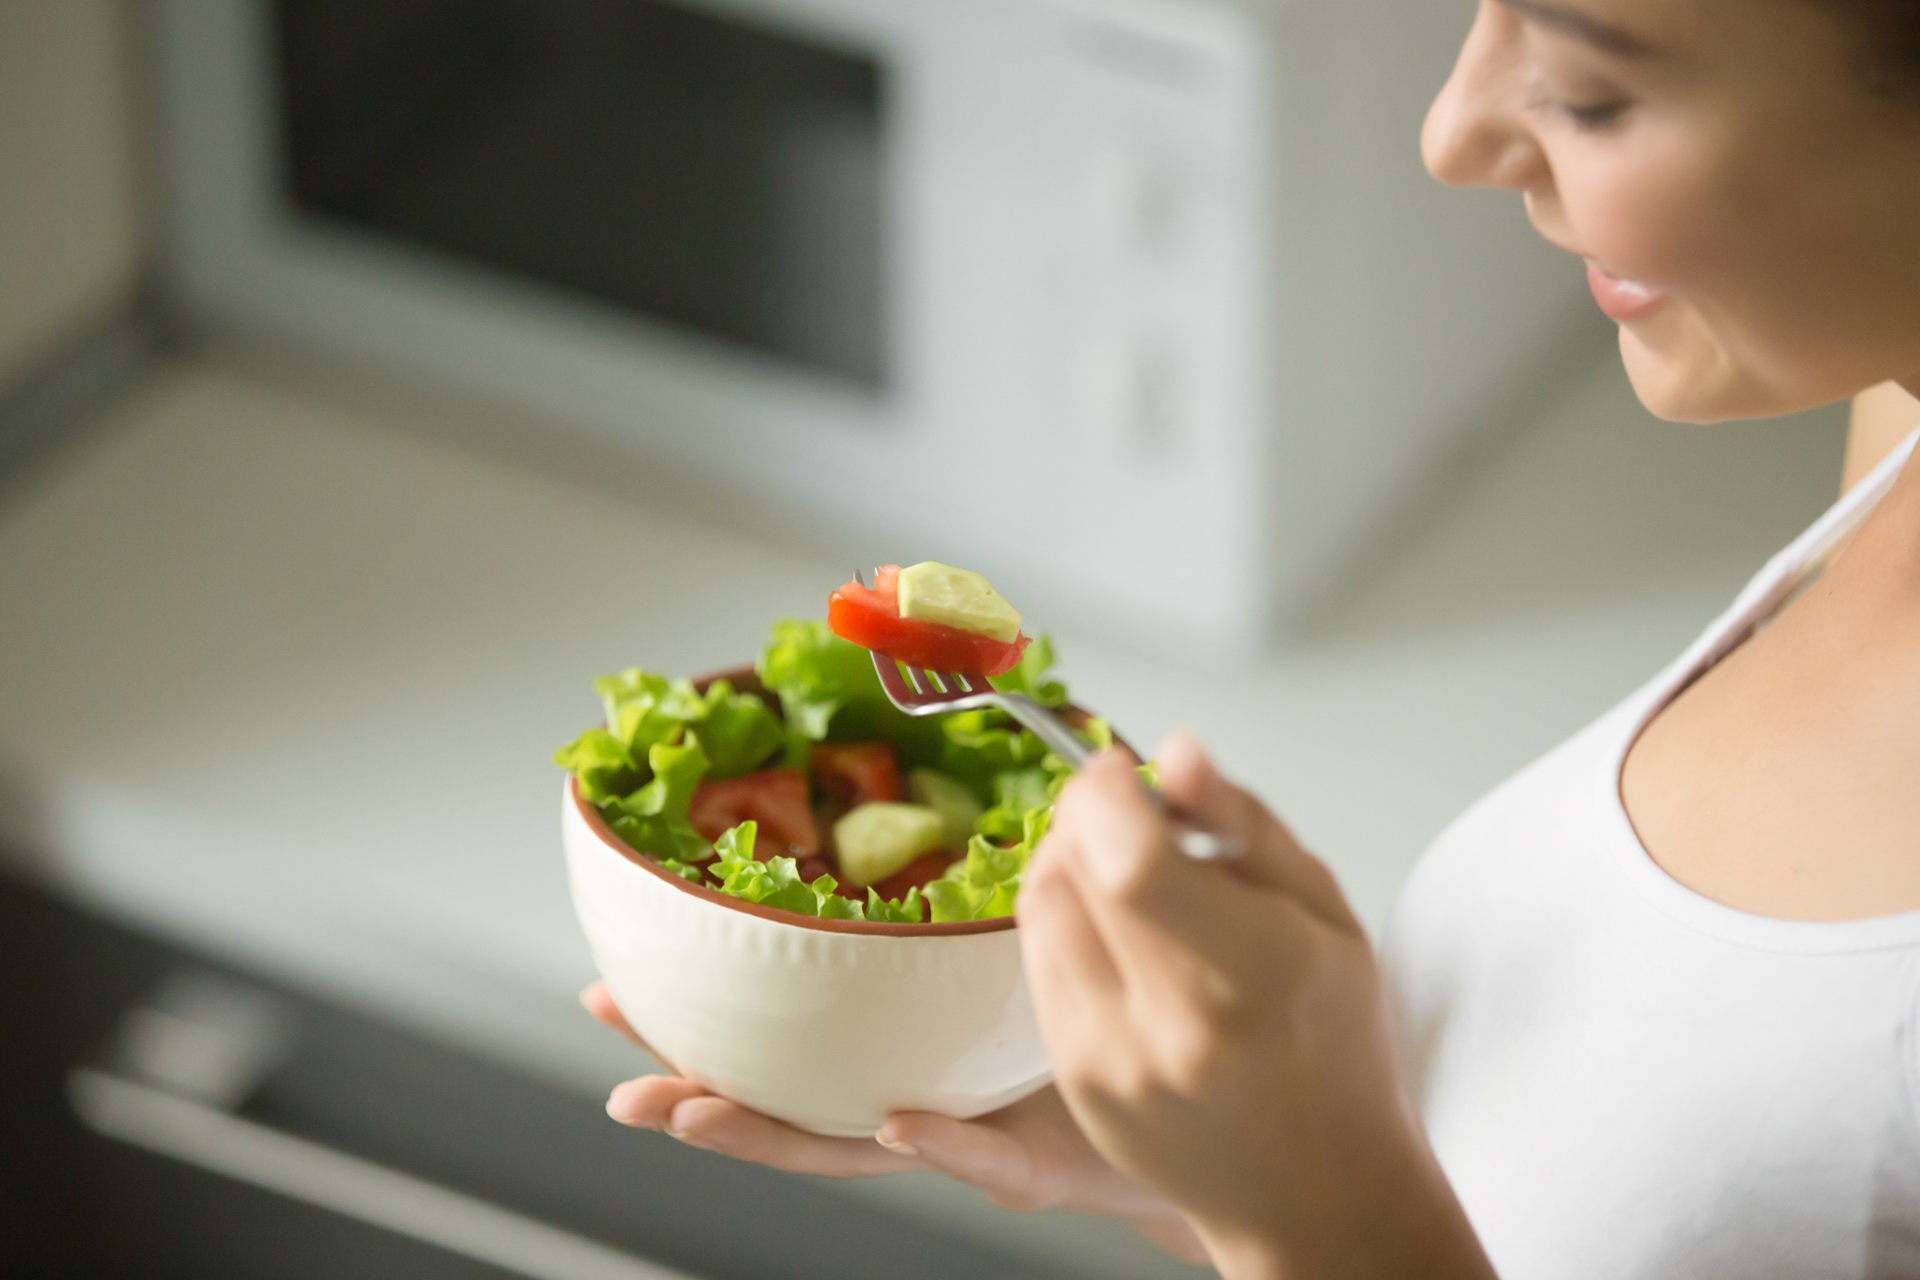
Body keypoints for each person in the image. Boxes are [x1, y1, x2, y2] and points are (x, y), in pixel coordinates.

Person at [582, 0, 1920, 1273]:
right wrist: (1196, 1161)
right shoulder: (1892, 412)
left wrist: (1317, 1205)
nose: (1453, 133)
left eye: (1591, 91)